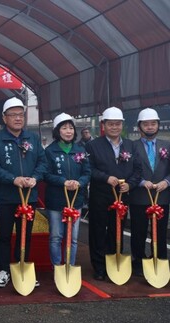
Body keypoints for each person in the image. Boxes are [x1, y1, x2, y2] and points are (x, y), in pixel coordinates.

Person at [0, 97, 47, 288]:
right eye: (13, 115)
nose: (18, 118)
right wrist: (13, 179)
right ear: (4, 118)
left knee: (25, 234)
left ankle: (22, 267)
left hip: (28, 196)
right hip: (6, 197)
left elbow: (43, 163)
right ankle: (3, 270)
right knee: (4, 234)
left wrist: (35, 178)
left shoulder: (33, 139)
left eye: (21, 114)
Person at [85, 107, 141, 281]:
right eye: (111, 124)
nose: (115, 127)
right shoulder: (93, 145)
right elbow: (89, 169)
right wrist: (105, 177)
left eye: (118, 124)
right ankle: (99, 266)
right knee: (98, 230)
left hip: (122, 196)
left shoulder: (131, 145)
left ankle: (113, 262)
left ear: (122, 125)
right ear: (104, 125)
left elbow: (138, 170)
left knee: (116, 230)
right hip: (100, 195)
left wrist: (130, 185)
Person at [44, 113, 90, 267]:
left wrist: (79, 182)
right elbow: (46, 174)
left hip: (75, 200)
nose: (68, 131)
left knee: (73, 238)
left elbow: (87, 172)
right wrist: (63, 182)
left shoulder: (80, 150)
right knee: (56, 236)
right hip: (56, 201)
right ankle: (57, 266)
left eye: (71, 128)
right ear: (58, 131)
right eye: (64, 128)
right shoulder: (50, 151)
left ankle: (70, 266)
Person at [130, 108, 170, 277]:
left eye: (153, 124)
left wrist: (166, 182)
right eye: (146, 124)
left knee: (160, 232)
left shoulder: (167, 145)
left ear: (158, 125)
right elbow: (127, 169)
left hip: (162, 196)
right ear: (140, 127)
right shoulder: (131, 146)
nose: (150, 127)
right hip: (140, 196)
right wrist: (140, 182)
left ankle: (160, 260)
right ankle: (138, 262)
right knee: (138, 231)